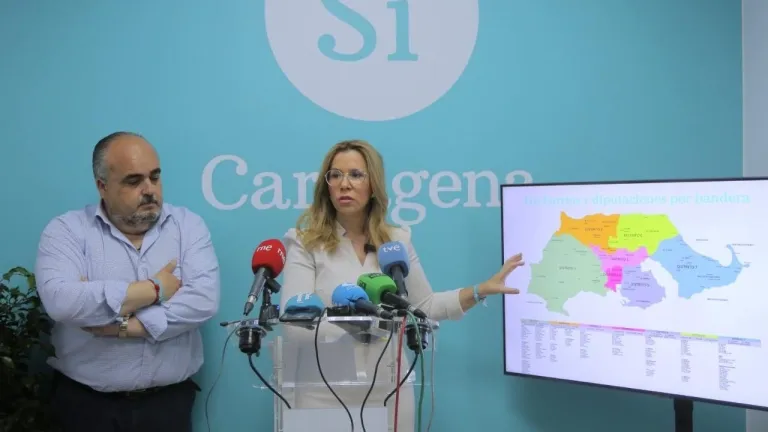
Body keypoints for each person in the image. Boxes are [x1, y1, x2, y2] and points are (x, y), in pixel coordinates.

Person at [280, 139, 523, 431]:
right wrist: (368, 325)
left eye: (356, 175)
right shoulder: (305, 243)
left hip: (390, 392)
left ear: (374, 185)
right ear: (326, 185)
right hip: (322, 393)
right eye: (336, 175)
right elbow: (295, 325)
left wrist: (479, 290)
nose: (345, 184)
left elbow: (423, 306)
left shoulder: (396, 241)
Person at [34, 131, 221, 432]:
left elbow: (203, 301)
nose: (149, 190)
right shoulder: (67, 231)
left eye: (155, 177)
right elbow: (63, 302)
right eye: (133, 181)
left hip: (167, 406)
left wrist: (121, 326)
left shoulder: (188, 226)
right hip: (85, 406)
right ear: (102, 186)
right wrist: (155, 289)